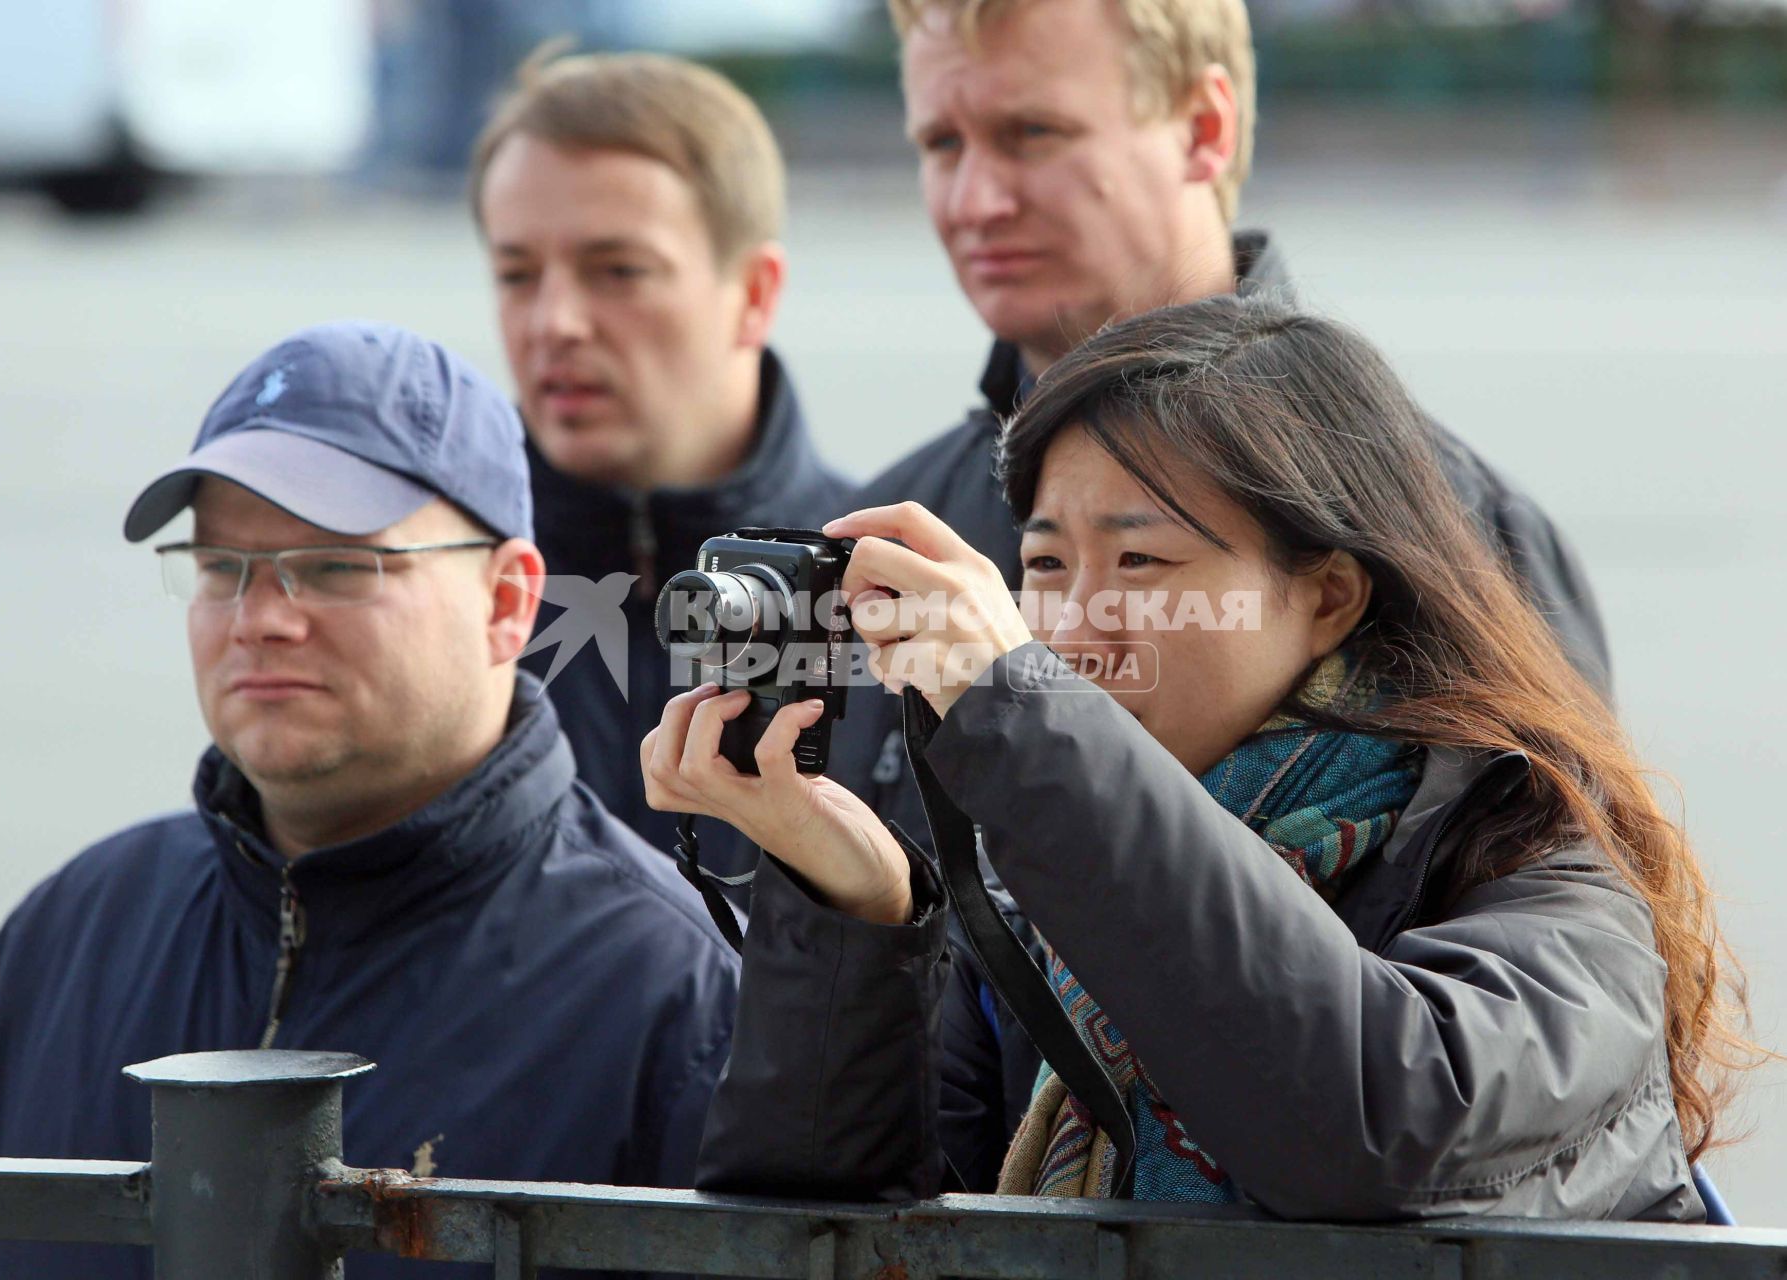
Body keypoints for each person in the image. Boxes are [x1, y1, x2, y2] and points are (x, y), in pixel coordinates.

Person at [647, 296, 1752, 1218]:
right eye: (1042, 563)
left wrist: (1020, 714)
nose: (1073, 623)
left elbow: (1372, 1121)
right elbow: (834, 1221)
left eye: (1139, 559)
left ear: (1327, 595)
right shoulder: (1036, 888)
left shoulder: (1536, 864)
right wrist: (862, 909)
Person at [0, 322, 740, 1279]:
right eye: (220, 567)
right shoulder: (69, 934)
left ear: (506, 602)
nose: (260, 619)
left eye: (334, 566)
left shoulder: (673, 996)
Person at [828, 0, 1612, 866]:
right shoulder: (893, 520)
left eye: (1033, 133)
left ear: (1203, 127)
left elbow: (1552, 950)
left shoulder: (1447, 520)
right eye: (941, 144)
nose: (975, 199)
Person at [471, 47, 853, 861]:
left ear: (754, 295)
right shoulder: (439, 601)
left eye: (618, 271)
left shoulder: (891, 596)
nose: (555, 323)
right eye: (517, 274)